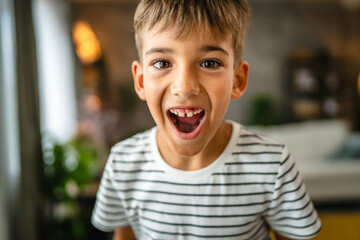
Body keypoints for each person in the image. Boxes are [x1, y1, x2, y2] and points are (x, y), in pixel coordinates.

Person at [91, 0, 322, 239]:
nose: (184, 87)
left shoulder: (272, 166)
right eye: (162, 63)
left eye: (209, 63)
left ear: (238, 80)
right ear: (140, 82)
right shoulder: (122, 164)